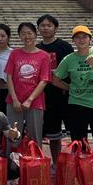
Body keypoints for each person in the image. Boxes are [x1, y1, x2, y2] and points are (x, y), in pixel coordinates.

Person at [52, 25, 93, 185]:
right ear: (74, 41)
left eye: (84, 37)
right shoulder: (69, 59)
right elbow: (55, 79)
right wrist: (70, 88)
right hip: (77, 105)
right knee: (79, 143)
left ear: (90, 39)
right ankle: (82, 176)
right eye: (78, 37)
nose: (81, 40)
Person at [36, 14, 74, 162]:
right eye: (42, 25)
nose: (45, 28)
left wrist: (57, 73)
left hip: (65, 94)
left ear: (55, 28)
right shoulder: (37, 48)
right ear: (38, 28)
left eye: (49, 25)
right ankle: (56, 164)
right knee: (53, 133)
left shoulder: (64, 46)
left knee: (74, 132)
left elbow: (72, 69)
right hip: (46, 96)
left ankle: (76, 162)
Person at [4, 22, 50, 143]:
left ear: (35, 34)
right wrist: (14, 99)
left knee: (35, 138)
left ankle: (35, 157)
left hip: (35, 101)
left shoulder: (44, 56)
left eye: (29, 33)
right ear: (19, 35)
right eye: (23, 33)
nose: (27, 36)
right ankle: (12, 157)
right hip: (14, 102)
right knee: (13, 136)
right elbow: (9, 76)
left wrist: (29, 100)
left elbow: (44, 80)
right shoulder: (14, 53)